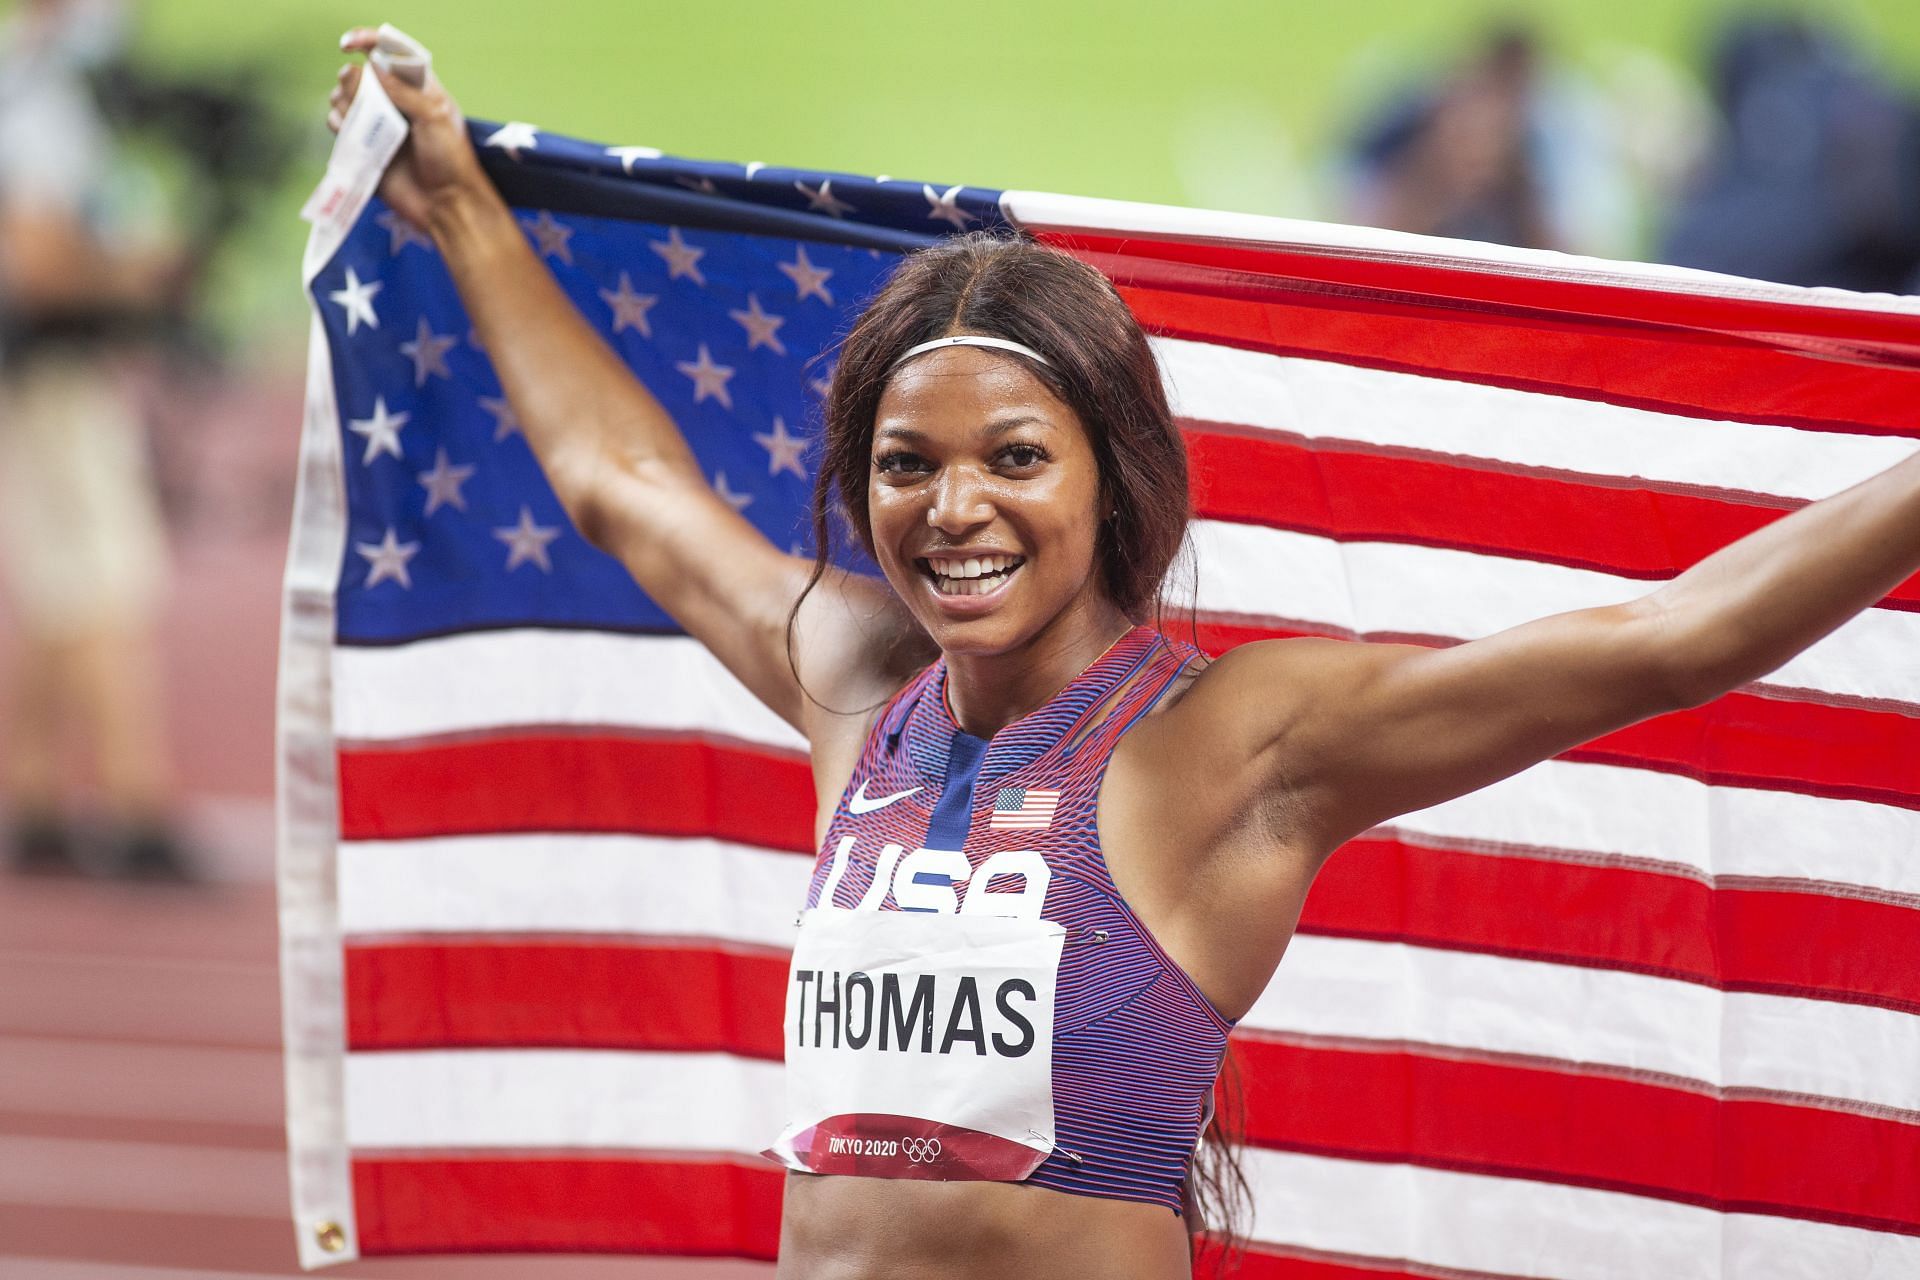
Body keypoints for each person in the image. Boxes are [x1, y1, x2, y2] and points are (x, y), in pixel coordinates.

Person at [329, 31, 1920, 1278]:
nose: (957, 509)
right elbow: (631, 493)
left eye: (1016, 458)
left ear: (1111, 474)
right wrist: (462, 203)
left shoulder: (1235, 744)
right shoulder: (859, 692)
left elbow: (1669, 641)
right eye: (906, 465)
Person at [0, 0, 198, 881]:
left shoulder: (33, 82)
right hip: (51, 376)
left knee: (60, 575)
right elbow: (39, 260)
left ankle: (36, 794)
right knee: (105, 573)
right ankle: (137, 804)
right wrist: (140, 277)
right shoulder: (48, 98)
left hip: (44, 376)